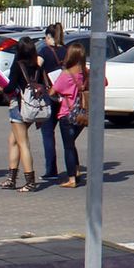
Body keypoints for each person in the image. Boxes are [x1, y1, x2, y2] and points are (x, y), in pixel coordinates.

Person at [0, 38, 45, 192]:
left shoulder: (18, 65)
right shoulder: (37, 65)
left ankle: (30, 181)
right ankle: (11, 178)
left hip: (20, 106)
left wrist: (2, 88)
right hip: (33, 107)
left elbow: (11, 86)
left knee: (23, 143)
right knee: (13, 140)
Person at [50, 44, 90, 188]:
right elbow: (104, 82)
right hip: (82, 113)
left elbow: (52, 92)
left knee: (68, 146)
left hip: (67, 113)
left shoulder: (66, 74)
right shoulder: (86, 73)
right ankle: (77, 171)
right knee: (71, 144)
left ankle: (72, 178)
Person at [35, 23, 65, 178]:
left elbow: (36, 67)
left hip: (50, 95)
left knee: (48, 133)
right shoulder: (67, 50)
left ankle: (51, 169)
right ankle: (73, 170)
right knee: (68, 136)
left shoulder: (44, 51)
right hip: (66, 96)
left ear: (48, 37)